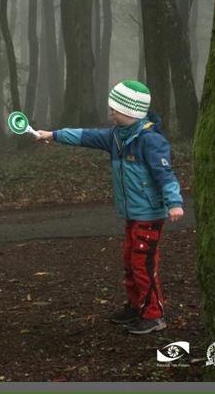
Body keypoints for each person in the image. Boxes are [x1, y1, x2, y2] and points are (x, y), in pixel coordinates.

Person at [34, 80, 184, 335]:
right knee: (130, 261)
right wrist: (53, 135)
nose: (111, 113)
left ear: (129, 111)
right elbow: (85, 136)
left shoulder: (150, 140)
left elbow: (165, 174)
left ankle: (153, 315)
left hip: (149, 215)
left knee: (143, 263)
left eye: (114, 109)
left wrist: (175, 203)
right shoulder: (115, 136)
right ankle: (135, 307)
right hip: (132, 214)